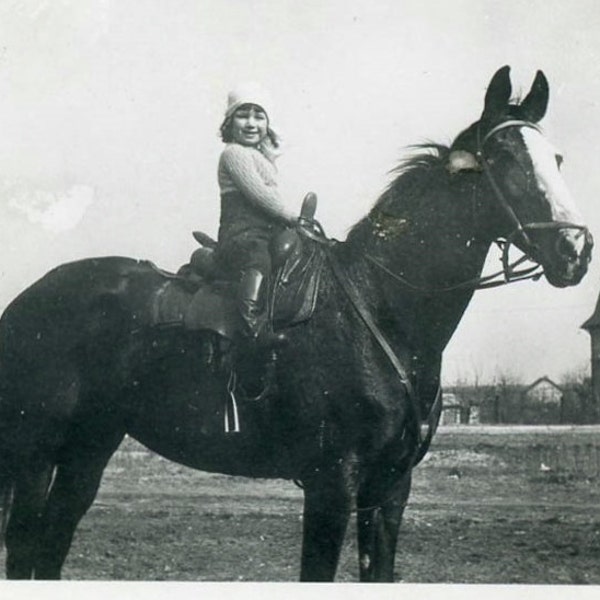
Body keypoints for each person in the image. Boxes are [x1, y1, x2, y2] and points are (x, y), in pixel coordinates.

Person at [216, 83, 296, 348]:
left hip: (264, 233)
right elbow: (261, 195)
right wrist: (293, 217)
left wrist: (270, 155)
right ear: (229, 122)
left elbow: (268, 181)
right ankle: (251, 326)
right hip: (242, 235)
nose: (251, 123)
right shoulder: (233, 154)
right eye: (243, 115)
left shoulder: (257, 156)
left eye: (259, 116)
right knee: (258, 258)